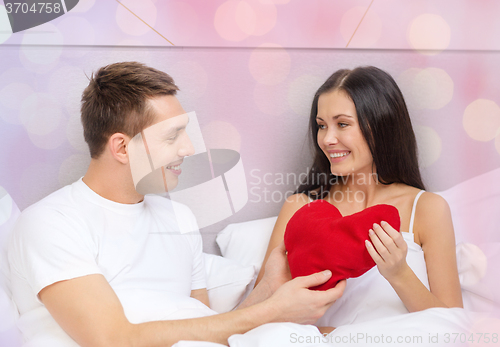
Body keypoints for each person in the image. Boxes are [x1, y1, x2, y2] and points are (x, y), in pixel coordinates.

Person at [7, 62, 346, 347]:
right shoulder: (52, 222)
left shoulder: (178, 218)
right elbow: (112, 338)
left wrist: (270, 291)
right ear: (122, 149)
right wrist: (275, 312)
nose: (187, 149)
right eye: (172, 136)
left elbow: (205, 328)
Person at [256, 66, 463, 331]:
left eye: (342, 124)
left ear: (381, 126)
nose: (328, 139)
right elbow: (260, 314)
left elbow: (453, 326)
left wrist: (399, 274)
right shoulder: (300, 208)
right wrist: (343, 337)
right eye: (321, 126)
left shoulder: (426, 209)